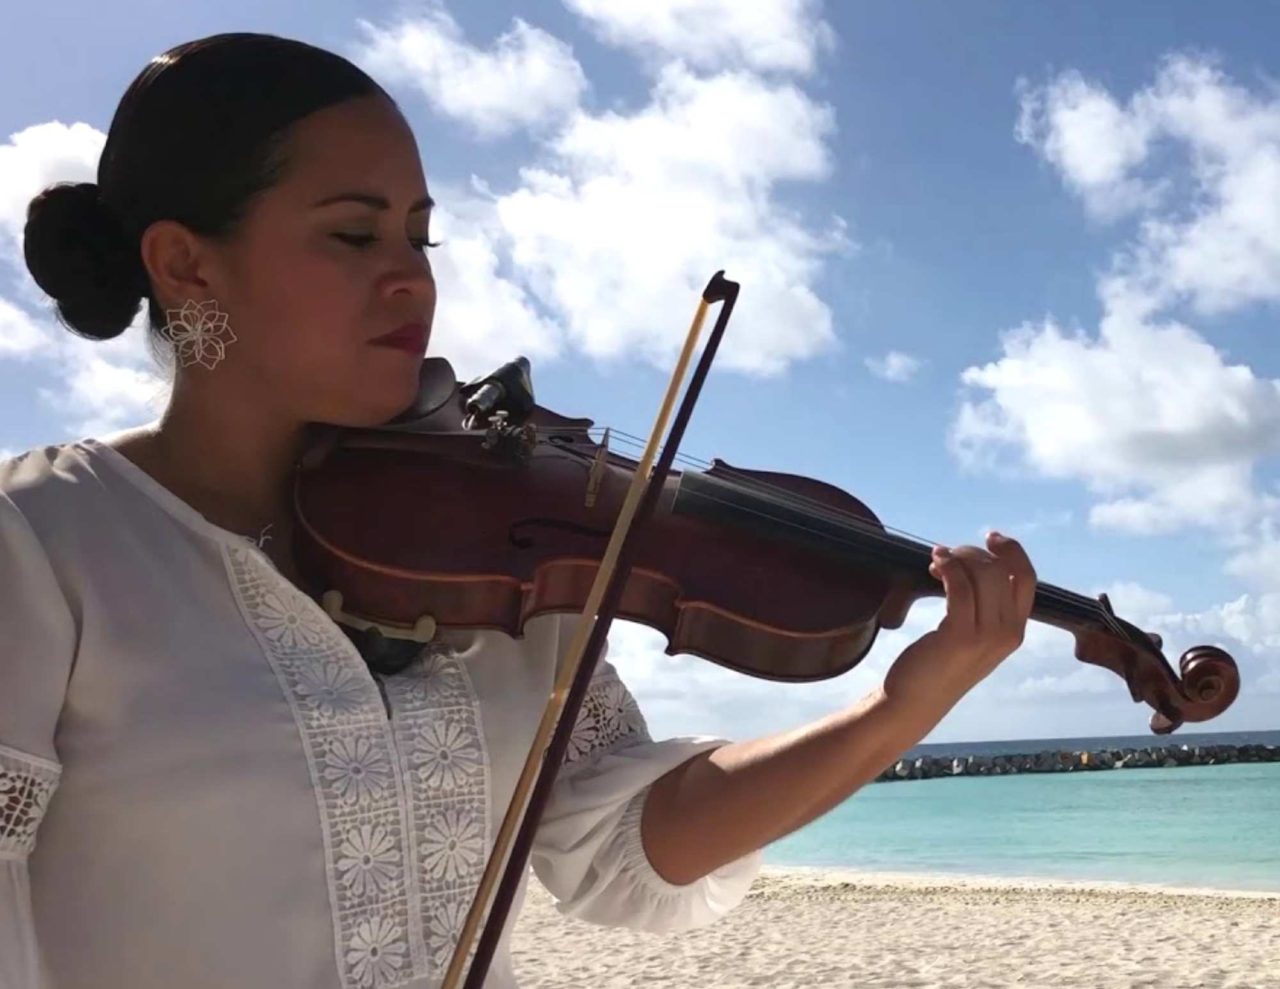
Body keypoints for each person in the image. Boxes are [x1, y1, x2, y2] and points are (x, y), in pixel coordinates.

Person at [0, 32, 1037, 989]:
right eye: (354, 235)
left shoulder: (481, 552)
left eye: (420, 239)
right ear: (187, 263)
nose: (410, 280)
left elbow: (626, 837)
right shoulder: (46, 542)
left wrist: (902, 706)